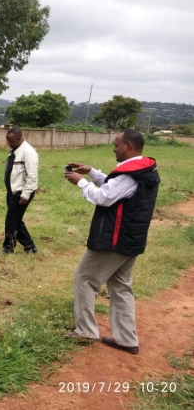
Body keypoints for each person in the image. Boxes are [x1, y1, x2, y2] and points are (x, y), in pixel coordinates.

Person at [64, 130, 159, 355]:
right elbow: (116, 187)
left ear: (128, 146)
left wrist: (81, 182)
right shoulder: (144, 169)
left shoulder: (128, 175)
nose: (114, 149)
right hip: (131, 239)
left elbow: (103, 197)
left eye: (116, 145)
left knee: (84, 278)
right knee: (120, 286)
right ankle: (126, 338)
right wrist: (93, 172)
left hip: (113, 240)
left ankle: (86, 331)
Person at [3, 127, 39, 254]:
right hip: (12, 191)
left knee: (11, 221)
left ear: (19, 138)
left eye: (11, 141)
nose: (9, 144)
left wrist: (25, 194)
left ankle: (8, 246)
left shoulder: (28, 152)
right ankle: (29, 246)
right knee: (16, 219)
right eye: (8, 141)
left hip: (21, 192)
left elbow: (32, 176)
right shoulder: (15, 151)